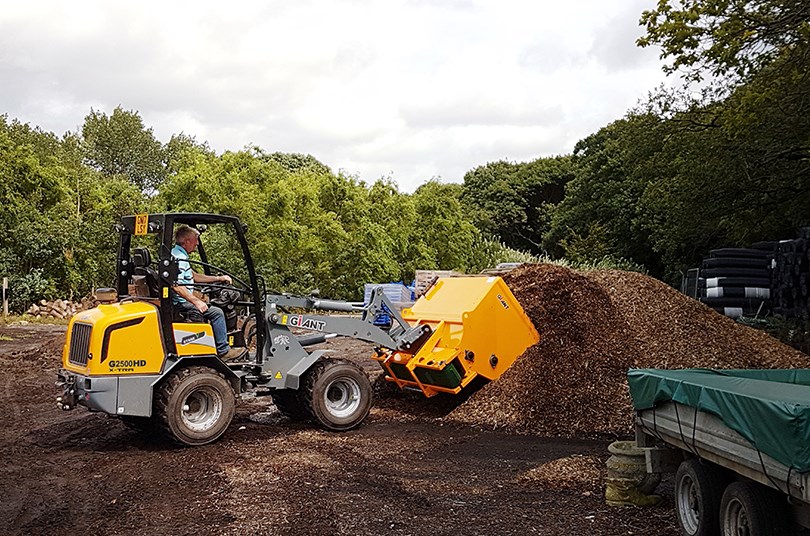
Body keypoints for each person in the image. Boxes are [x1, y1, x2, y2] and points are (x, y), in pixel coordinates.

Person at [171, 225, 247, 361]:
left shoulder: (177, 254)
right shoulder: (179, 259)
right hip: (181, 304)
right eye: (196, 240)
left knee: (209, 304)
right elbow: (176, 285)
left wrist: (218, 278)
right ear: (187, 241)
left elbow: (193, 276)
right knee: (217, 313)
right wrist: (196, 301)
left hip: (180, 302)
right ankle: (223, 351)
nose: (198, 243)